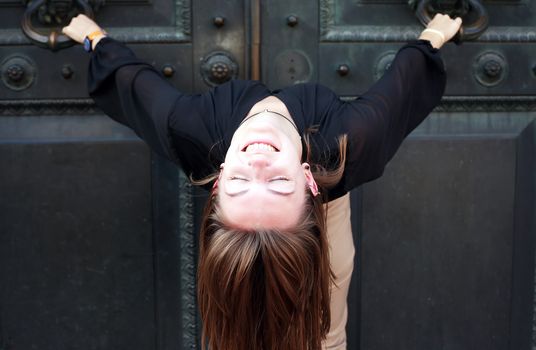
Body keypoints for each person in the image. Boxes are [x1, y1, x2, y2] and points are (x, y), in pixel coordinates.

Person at [63, 13, 462, 350]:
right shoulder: (349, 143)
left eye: (239, 180)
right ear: (307, 178)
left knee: (272, 312)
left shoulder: (191, 133)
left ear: (217, 181)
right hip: (322, 198)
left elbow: (134, 82)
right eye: (277, 183)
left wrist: (94, 38)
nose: (257, 162)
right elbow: (401, 84)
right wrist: (432, 36)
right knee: (321, 311)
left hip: (304, 208)